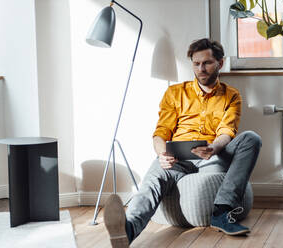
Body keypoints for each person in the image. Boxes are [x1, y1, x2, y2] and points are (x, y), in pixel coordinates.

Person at [103, 38, 262, 248]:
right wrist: (162, 154)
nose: (201, 69)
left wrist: (213, 148)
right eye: (196, 64)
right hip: (178, 158)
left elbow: (227, 131)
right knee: (151, 183)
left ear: (220, 63)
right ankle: (128, 230)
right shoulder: (175, 93)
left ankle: (222, 212)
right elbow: (161, 132)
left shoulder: (231, 95)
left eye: (207, 63)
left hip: (214, 155)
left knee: (251, 138)